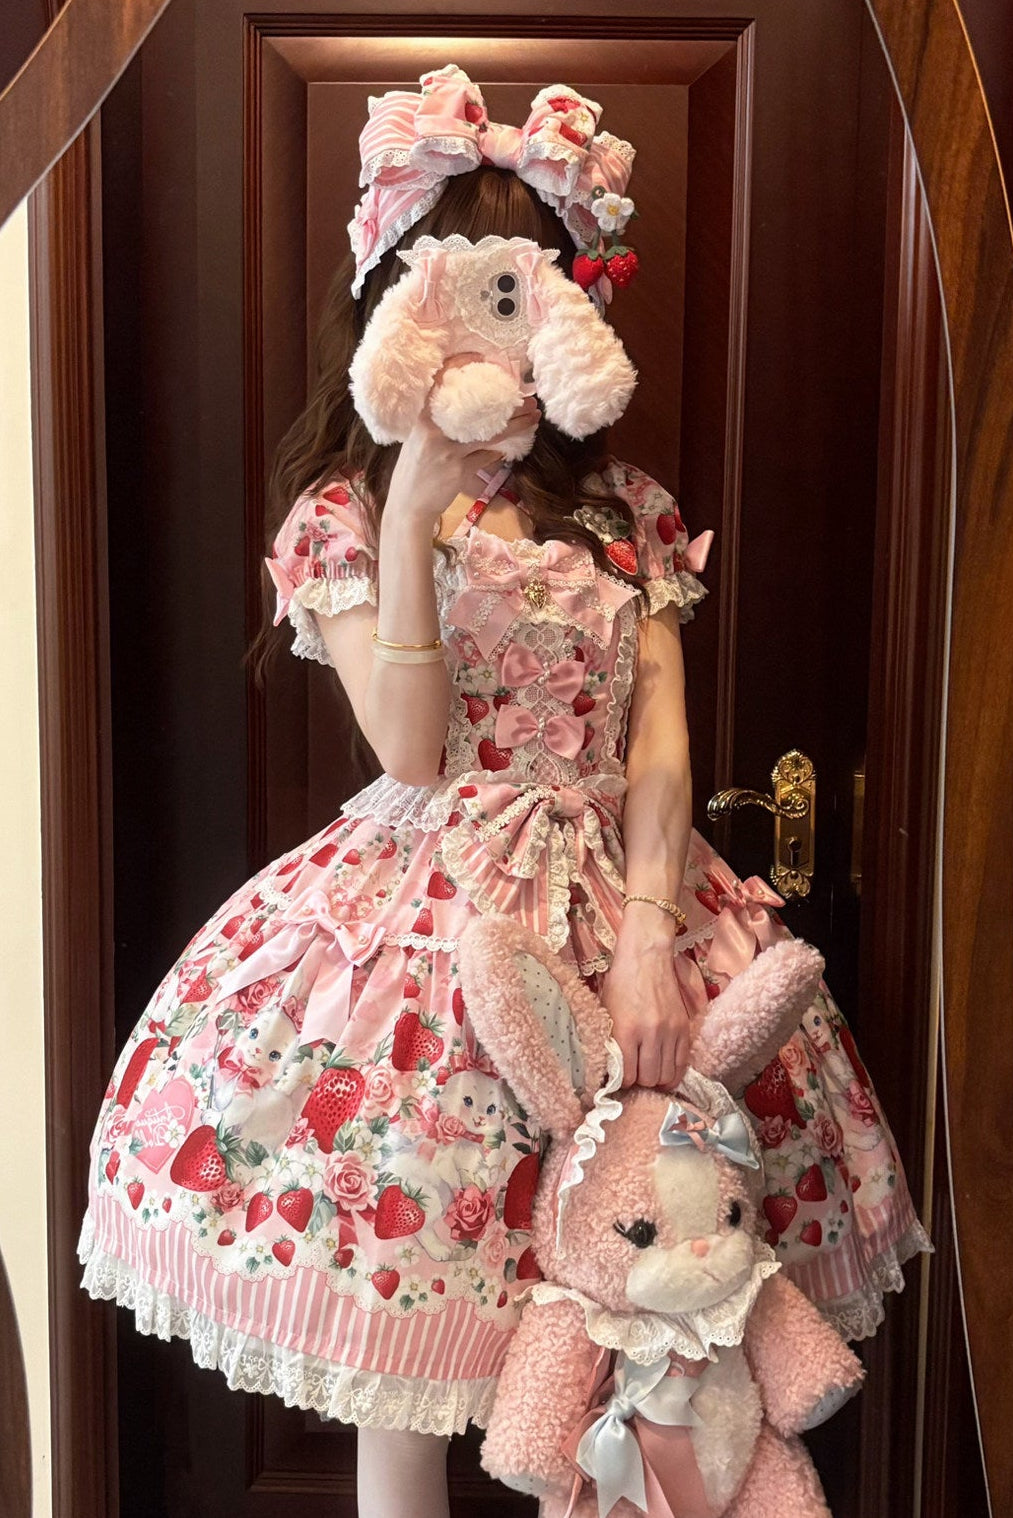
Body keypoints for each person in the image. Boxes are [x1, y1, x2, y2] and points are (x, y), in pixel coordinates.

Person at [78, 66, 930, 1518]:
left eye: (527, 288)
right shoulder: (342, 513)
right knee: (407, 1322)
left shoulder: (628, 508)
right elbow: (410, 752)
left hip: (629, 904)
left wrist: (653, 931)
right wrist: (413, 506)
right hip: (424, 924)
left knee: (634, 1322)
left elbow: (661, 737)